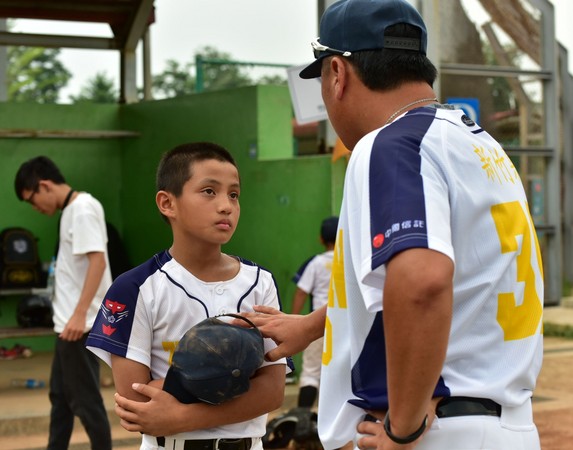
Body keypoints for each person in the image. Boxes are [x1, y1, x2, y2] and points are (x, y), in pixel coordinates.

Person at [236, 1, 545, 450]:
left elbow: (422, 282)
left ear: (338, 73)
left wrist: (403, 428)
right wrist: (314, 325)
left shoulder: (389, 144)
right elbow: (448, 279)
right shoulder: (474, 141)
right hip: (501, 423)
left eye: (322, 77)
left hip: (439, 429)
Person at [86, 142, 287, 450]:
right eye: (209, 191)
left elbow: (272, 392)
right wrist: (239, 382)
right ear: (168, 203)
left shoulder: (261, 282)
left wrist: (183, 415)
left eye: (234, 194)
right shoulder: (135, 287)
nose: (226, 205)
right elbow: (135, 399)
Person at [15, 155, 113, 450]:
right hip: (68, 324)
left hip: (77, 326)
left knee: (86, 402)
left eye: (32, 200)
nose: (35, 207)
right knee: (60, 399)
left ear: (44, 185)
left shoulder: (81, 209)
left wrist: (79, 315)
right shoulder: (72, 210)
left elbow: (98, 261)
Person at [291, 216, 338, 408]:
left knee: (311, 372)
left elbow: (302, 291)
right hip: (345, 326)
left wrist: (294, 319)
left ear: (320, 239)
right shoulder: (350, 261)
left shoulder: (316, 263)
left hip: (318, 326)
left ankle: (302, 420)